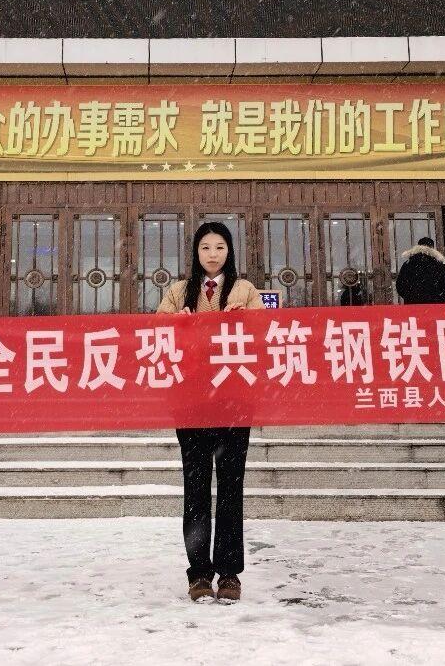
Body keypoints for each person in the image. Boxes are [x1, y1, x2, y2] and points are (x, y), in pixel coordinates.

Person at [157, 222, 265, 603]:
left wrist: (245, 321)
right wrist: (177, 324)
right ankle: (199, 572)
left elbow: (265, 336)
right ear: (196, 252)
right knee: (196, 488)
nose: (213, 254)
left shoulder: (245, 291)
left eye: (220, 247)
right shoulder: (177, 292)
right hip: (190, 401)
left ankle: (230, 573)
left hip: (234, 401)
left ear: (229, 251)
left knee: (231, 487)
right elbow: (157, 335)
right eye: (206, 247)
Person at [395, 237, 445, 304]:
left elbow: (400, 286)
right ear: (432, 248)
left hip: (413, 305)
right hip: (436, 305)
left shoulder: (407, 265)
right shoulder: (439, 266)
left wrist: (409, 296)